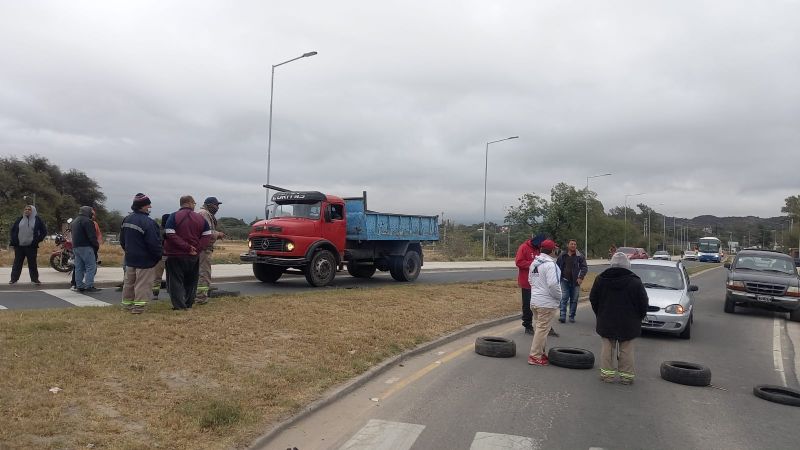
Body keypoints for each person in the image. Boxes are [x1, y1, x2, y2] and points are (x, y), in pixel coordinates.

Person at [589, 252, 649, 384]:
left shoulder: (600, 279)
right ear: (627, 265)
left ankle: (607, 375)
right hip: (629, 321)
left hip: (606, 319)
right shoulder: (635, 281)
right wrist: (640, 316)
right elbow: (643, 303)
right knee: (626, 349)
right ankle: (626, 377)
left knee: (607, 348)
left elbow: (593, 298)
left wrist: (599, 313)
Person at [163, 195, 212, 310]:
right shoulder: (200, 218)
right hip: (193, 256)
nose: (195, 205)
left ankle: (179, 306)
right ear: (189, 203)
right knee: (191, 281)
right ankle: (189, 303)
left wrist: (186, 247)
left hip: (175, 254)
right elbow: (207, 235)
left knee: (176, 281)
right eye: (194, 203)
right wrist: (196, 249)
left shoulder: (173, 216)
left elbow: (170, 234)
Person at [119, 193, 163, 314]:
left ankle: (126, 307)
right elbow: (154, 243)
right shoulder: (149, 223)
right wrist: (158, 256)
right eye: (148, 205)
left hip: (130, 258)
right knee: (143, 285)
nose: (150, 207)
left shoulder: (126, 219)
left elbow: (122, 240)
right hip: (145, 261)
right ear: (142, 206)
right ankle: (139, 308)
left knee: (129, 283)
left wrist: (128, 251)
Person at [527, 239, 562, 366]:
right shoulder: (550, 264)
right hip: (546, 303)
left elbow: (530, 280)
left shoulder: (534, 263)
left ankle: (540, 353)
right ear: (553, 250)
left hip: (535, 300)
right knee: (542, 329)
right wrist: (559, 297)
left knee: (539, 328)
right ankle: (535, 356)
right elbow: (553, 284)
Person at [195, 197, 226, 305]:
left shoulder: (203, 213)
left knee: (199, 274)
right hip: (204, 249)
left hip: (200, 248)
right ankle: (201, 298)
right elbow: (207, 232)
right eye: (216, 205)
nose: (217, 207)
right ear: (209, 205)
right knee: (204, 274)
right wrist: (218, 234)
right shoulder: (204, 213)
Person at [8, 205, 47, 285]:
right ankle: (13, 279)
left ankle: (35, 280)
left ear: (33, 211)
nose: (27, 211)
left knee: (32, 264)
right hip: (19, 246)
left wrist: (37, 240)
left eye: (29, 209)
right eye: (25, 209)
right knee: (17, 263)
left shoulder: (37, 220)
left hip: (31, 246)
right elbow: (13, 230)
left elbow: (44, 231)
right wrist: (14, 240)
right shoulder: (20, 219)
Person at [556, 239, 588, 323]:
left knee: (574, 299)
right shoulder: (562, 255)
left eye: (575, 244)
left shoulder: (580, 256)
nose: (573, 245)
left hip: (576, 282)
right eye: (571, 244)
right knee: (564, 298)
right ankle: (562, 316)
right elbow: (557, 266)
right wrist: (558, 277)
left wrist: (580, 277)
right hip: (564, 280)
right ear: (568, 245)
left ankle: (571, 316)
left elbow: (584, 268)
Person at [71, 206, 101, 292]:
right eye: (91, 212)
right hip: (86, 247)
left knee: (79, 267)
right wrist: (96, 246)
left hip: (76, 247)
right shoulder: (88, 221)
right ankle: (89, 285)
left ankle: (79, 285)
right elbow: (92, 236)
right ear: (87, 212)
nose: (92, 214)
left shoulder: (74, 221)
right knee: (91, 266)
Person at [151, 213, 170, 300]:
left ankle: (155, 294)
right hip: (169, 256)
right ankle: (170, 291)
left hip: (159, 257)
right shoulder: (169, 231)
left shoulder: (157, 230)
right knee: (171, 276)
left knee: (157, 277)